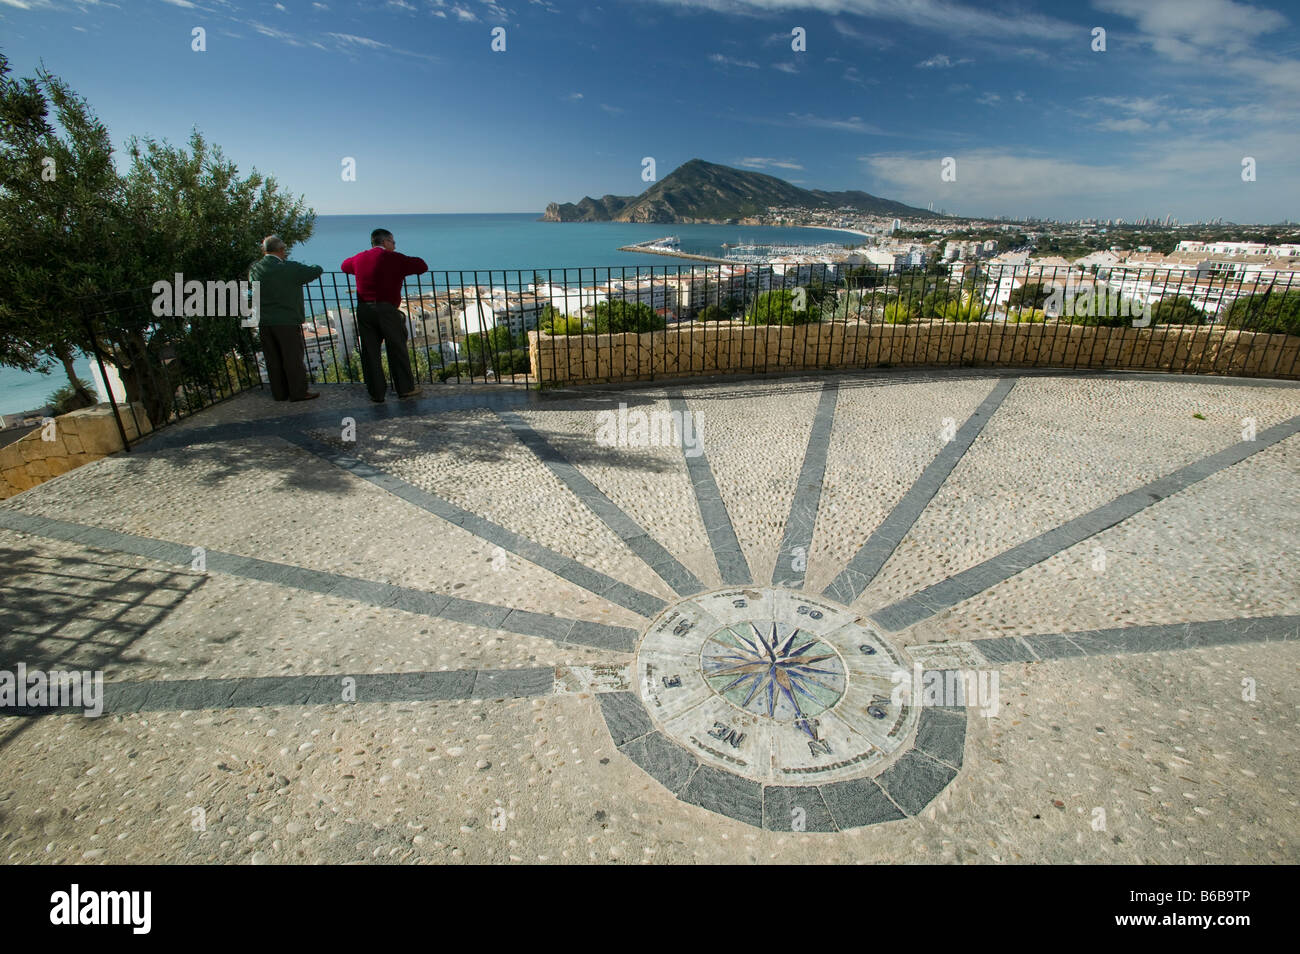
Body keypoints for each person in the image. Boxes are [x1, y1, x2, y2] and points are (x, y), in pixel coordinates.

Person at [341, 229, 428, 402]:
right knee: (396, 349)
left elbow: (344, 266)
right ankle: (405, 388)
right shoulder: (394, 258)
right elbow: (422, 266)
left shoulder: (359, 258)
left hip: (364, 310)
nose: (395, 246)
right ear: (386, 241)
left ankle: (376, 393)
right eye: (394, 242)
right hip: (387, 310)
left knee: (370, 352)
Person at [249, 235, 323, 401]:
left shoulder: (255, 269)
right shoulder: (289, 268)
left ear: (264, 250)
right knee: (292, 358)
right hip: (286, 320)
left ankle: (279, 393)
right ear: (282, 250)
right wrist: (315, 265)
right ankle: (298, 392)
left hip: (264, 321)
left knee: (272, 358)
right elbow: (315, 271)